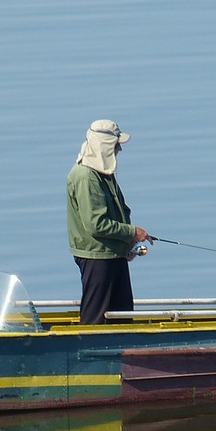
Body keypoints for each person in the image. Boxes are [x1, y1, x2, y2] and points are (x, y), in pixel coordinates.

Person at [66, 119, 149, 324]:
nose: (120, 148)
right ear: (104, 145)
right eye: (116, 144)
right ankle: (88, 351)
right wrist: (132, 233)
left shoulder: (104, 173)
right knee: (96, 317)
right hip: (96, 256)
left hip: (113, 254)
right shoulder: (85, 176)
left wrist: (126, 244)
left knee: (122, 314)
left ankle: (121, 351)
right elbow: (95, 224)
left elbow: (120, 210)